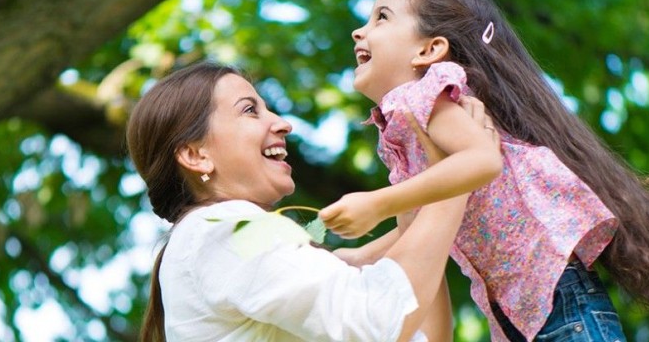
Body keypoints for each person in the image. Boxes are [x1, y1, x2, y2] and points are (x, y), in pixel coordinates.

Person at [318, 0, 649, 342]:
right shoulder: (403, 136)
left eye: (381, 17)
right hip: (530, 319)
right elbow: (424, 233)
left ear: (428, 51)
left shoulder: (425, 96)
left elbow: (482, 160)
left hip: (559, 310)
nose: (359, 31)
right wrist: (357, 257)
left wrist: (376, 203)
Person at [126, 61, 497, 342]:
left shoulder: (231, 245)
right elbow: (381, 317)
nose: (282, 123)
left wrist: (436, 180)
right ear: (196, 155)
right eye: (249, 110)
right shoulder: (222, 232)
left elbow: (417, 323)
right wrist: (458, 169)